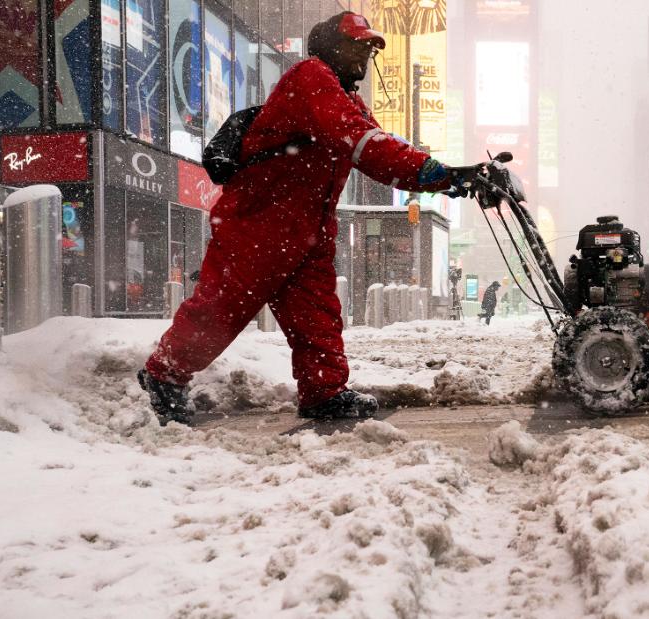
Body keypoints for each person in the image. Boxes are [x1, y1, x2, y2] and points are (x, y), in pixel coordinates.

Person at [137, 12, 457, 425]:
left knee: (317, 313)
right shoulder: (311, 77)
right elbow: (365, 145)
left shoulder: (347, 98)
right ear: (326, 46)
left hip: (306, 227)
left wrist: (450, 176)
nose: (362, 55)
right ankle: (163, 374)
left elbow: (382, 148)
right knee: (222, 307)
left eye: (367, 48)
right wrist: (438, 174)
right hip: (260, 223)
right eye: (354, 45)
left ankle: (323, 391)